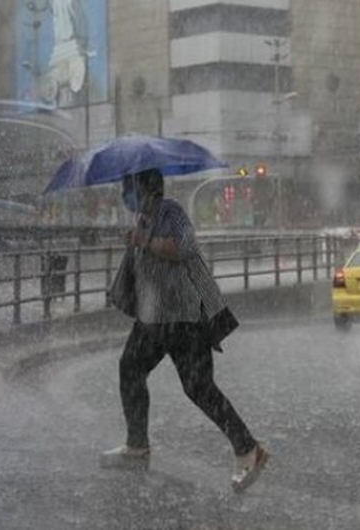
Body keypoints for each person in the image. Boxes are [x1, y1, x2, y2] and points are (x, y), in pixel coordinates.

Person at [103, 168, 268, 493]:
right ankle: (137, 446)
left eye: (128, 187)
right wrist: (138, 240)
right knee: (130, 369)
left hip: (183, 318)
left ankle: (249, 450)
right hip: (154, 319)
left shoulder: (170, 210)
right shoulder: (144, 219)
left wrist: (145, 241)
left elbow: (184, 246)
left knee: (199, 388)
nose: (125, 194)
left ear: (146, 188)